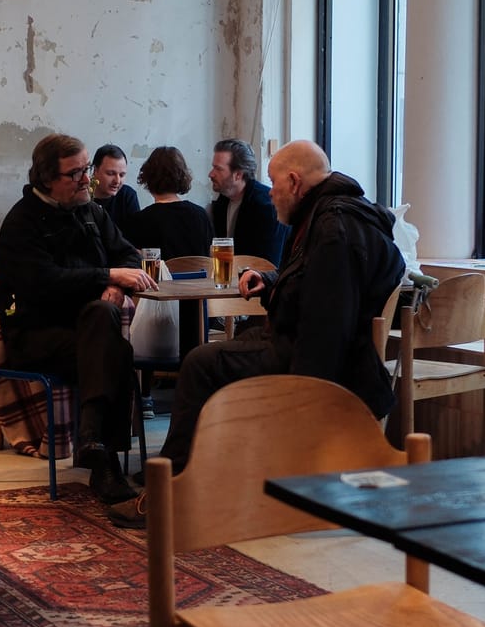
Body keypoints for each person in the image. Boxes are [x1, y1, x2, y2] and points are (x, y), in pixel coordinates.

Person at [108, 139, 405, 527]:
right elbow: (318, 282)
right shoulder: (337, 214)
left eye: (275, 182)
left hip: (318, 366)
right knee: (222, 352)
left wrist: (301, 407)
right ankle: (205, 476)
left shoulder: (334, 229)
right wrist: (272, 280)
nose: (270, 192)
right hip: (315, 346)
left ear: (294, 182)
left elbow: (326, 332)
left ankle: (169, 495)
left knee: (200, 362)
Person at [0, 134, 156, 505]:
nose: (88, 180)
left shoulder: (91, 211)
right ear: (47, 179)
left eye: (87, 169)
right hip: (37, 334)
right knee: (113, 351)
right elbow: (44, 283)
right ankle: (103, 460)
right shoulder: (22, 223)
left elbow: (129, 256)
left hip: (88, 329)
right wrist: (107, 276)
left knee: (103, 323)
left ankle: (95, 447)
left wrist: (114, 285)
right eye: (76, 173)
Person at [122, 146, 213, 259]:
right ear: (183, 176)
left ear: (148, 177)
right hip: (202, 272)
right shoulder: (201, 215)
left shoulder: (139, 221)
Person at [209, 138, 287, 265]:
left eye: (218, 169)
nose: (211, 174)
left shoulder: (266, 207)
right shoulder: (222, 202)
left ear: (238, 175)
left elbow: (268, 264)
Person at [91, 143, 141, 227]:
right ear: (95, 171)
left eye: (122, 175)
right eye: (111, 173)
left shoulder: (127, 195)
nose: (117, 181)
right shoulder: (81, 196)